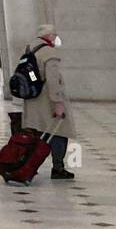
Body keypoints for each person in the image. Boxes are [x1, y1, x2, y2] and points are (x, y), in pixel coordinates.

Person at [21, 25, 77, 179]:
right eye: (54, 35)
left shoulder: (30, 49)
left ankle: (29, 164)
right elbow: (53, 80)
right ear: (50, 36)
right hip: (47, 101)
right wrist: (58, 102)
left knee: (37, 134)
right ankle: (58, 167)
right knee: (59, 132)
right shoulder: (49, 53)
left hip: (33, 99)